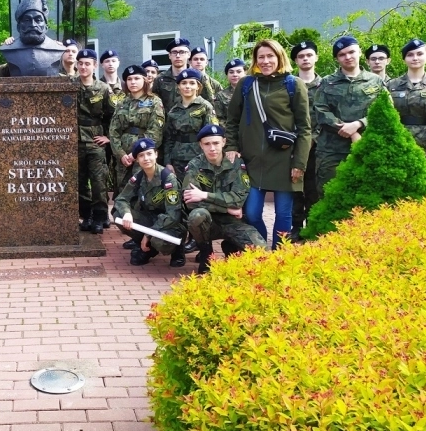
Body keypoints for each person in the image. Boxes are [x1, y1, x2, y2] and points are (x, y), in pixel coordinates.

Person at [225, 39, 311, 250]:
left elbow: (304, 128)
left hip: (284, 159)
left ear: (279, 57)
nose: (265, 61)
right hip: (252, 161)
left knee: (283, 214)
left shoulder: (293, 85)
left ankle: (279, 255)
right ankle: (262, 249)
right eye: (260, 57)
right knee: (252, 213)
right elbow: (232, 120)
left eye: (270, 56)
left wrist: (299, 163)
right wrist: (232, 147)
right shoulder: (246, 84)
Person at [183, 124, 266, 273]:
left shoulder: (236, 163)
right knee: (197, 216)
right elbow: (191, 203)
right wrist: (227, 208)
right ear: (201, 145)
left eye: (216, 143)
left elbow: (238, 198)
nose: (212, 148)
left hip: (233, 221)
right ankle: (206, 254)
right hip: (208, 223)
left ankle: (230, 246)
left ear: (224, 142)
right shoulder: (194, 165)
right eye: (207, 144)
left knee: (261, 250)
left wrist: (205, 195)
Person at [313, 36, 384, 198]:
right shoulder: (327, 83)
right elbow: (320, 111)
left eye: (351, 52)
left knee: (366, 195)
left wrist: (359, 124)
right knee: (329, 195)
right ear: (337, 59)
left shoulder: (375, 81)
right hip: (332, 151)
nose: (348, 57)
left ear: (360, 52)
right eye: (342, 54)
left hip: (367, 146)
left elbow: (386, 110)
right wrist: (350, 131)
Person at [112, 137, 185, 267]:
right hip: (151, 218)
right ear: (137, 159)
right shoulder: (139, 177)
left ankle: (177, 250)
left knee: (159, 241)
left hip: (170, 223)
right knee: (119, 216)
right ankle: (147, 247)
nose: (146, 158)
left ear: (156, 154)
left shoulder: (168, 178)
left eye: (149, 154)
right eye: (141, 155)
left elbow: (173, 215)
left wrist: (148, 234)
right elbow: (121, 199)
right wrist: (127, 213)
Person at [387, 38, 426, 182]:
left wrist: (418, 140)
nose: (415, 58)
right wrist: (400, 140)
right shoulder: (392, 85)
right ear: (404, 59)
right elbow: (386, 115)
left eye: (419, 54)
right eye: (410, 55)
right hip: (398, 148)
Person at [73, 49, 114, 234]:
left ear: (95, 65)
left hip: (95, 140)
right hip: (74, 139)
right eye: (80, 63)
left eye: (87, 63)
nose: (83, 67)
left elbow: (113, 116)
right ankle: (86, 215)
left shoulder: (103, 88)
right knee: (79, 182)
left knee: (98, 182)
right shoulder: (70, 85)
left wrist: (108, 137)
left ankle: (100, 216)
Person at [109, 64, 165, 192]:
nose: (133, 82)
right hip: (123, 156)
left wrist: (136, 153)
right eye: (129, 79)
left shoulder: (155, 101)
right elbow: (113, 131)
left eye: (136, 78)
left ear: (144, 80)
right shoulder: (122, 103)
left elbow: (156, 132)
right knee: (123, 190)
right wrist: (121, 154)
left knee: (143, 188)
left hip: (144, 154)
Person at [289, 41, 322, 241]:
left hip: (318, 145)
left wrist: (311, 140)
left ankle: (311, 225)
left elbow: (326, 114)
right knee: (294, 187)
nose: (305, 59)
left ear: (316, 57)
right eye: (301, 56)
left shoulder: (325, 85)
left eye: (309, 55)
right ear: (295, 60)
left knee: (313, 187)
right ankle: (295, 226)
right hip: (292, 144)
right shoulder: (289, 84)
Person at [163, 68, 217, 176]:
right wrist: (168, 162)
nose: (187, 86)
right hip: (177, 159)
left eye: (192, 83)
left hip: (200, 157)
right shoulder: (173, 111)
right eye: (184, 83)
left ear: (198, 86)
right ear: (178, 86)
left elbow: (211, 135)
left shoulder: (205, 107)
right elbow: (169, 139)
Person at [0, 0, 64, 77]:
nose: (33, 25)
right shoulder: (8, 49)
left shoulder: (58, 49)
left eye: (38, 20)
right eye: (27, 20)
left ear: (46, 27)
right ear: (18, 27)